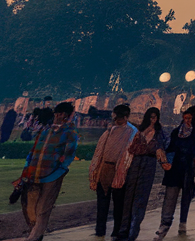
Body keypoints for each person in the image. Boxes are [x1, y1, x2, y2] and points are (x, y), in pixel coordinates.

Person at [14, 101, 79, 241]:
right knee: (29, 206)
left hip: (53, 175)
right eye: (56, 114)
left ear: (64, 115)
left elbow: (68, 155)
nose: (56, 116)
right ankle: (35, 231)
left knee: (43, 208)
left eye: (59, 114)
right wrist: (26, 169)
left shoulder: (69, 133)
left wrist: (59, 171)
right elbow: (33, 152)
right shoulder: (46, 131)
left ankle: (35, 236)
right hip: (35, 173)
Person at [154, 106, 195, 239]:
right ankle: (164, 225)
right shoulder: (176, 132)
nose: (187, 121)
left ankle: (183, 222)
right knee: (170, 198)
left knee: (186, 198)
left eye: (189, 118)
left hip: (188, 170)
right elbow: (170, 148)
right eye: (185, 118)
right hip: (174, 170)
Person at [89, 104, 137, 239]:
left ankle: (117, 231)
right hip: (104, 170)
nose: (117, 120)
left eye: (119, 118)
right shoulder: (109, 131)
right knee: (102, 203)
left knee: (118, 205)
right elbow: (99, 152)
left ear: (126, 117)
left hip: (120, 171)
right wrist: (95, 171)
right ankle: (100, 230)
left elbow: (129, 154)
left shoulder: (132, 132)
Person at [120, 107, 166, 241]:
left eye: (155, 117)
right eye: (151, 117)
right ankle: (123, 231)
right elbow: (132, 146)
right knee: (128, 197)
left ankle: (133, 232)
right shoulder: (140, 131)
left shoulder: (159, 133)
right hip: (136, 163)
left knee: (141, 199)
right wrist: (147, 130)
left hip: (148, 165)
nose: (153, 120)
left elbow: (161, 148)